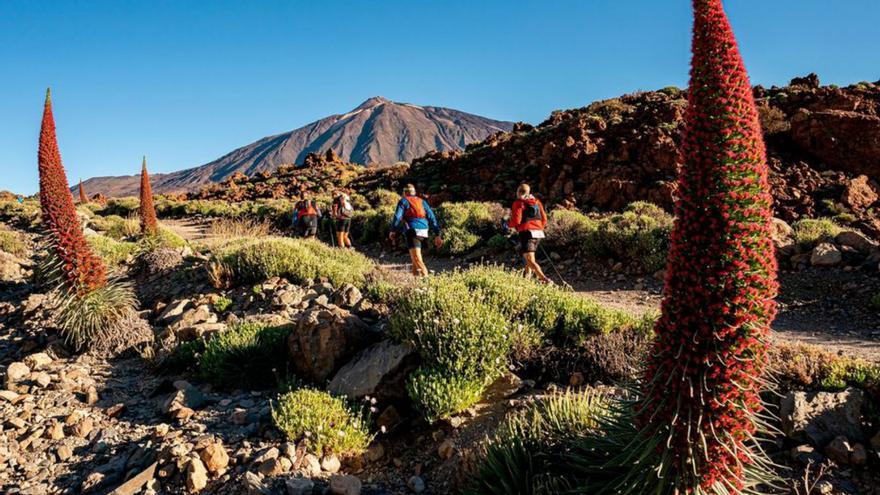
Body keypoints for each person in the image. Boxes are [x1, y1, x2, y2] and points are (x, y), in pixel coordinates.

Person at [389, 184, 442, 277]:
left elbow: (397, 217)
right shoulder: (422, 201)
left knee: (417, 259)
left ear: (405, 193)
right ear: (414, 192)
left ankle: (427, 281)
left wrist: (393, 230)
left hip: (412, 230)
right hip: (424, 230)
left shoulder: (403, 201)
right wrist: (437, 234)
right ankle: (416, 283)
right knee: (414, 259)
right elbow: (432, 217)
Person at [507, 183, 550, 283]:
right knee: (529, 258)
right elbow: (544, 218)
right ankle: (527, 280)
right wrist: (539, 228)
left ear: (518, 192)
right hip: (538, 233)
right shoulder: (537, 202)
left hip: (526, 233)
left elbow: (517, 220)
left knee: (530, 260)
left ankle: (544, 279)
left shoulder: (518, 203)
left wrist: (508, 225)